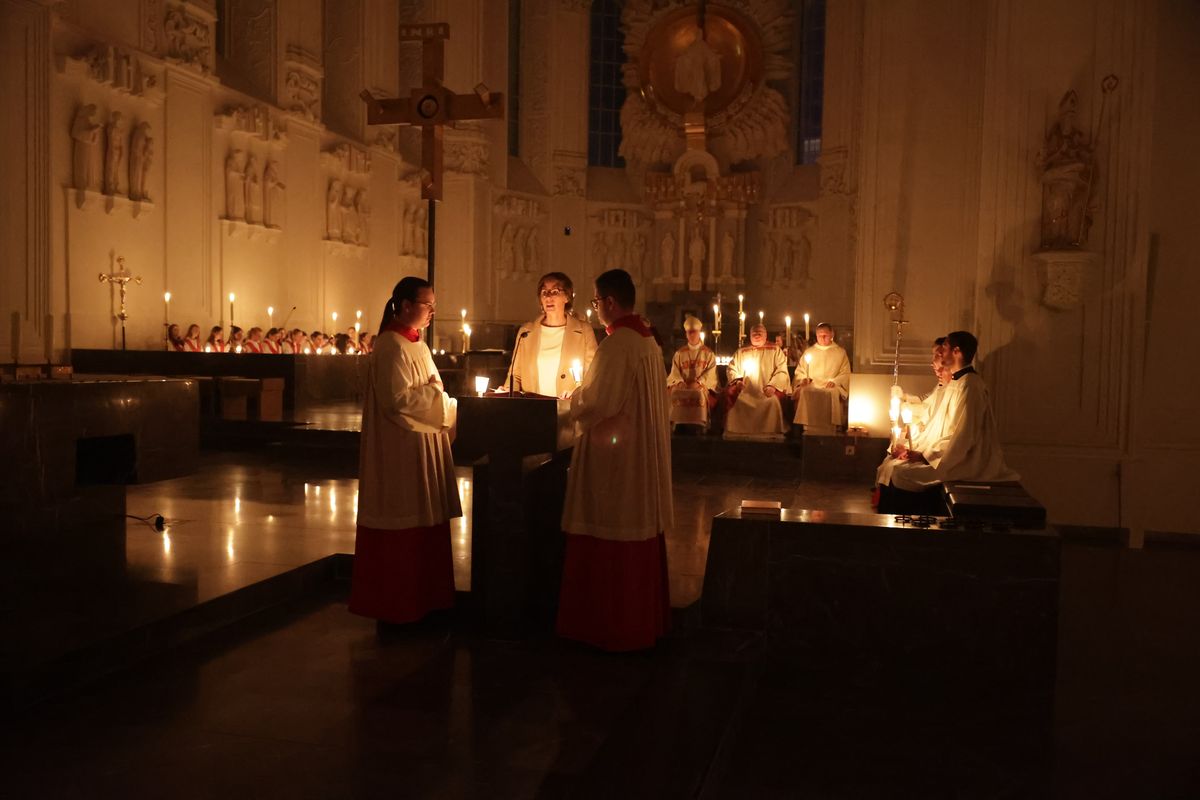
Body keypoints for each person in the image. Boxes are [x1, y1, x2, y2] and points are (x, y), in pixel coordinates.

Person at [557, 268, 672, 651]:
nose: (595, 309)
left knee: (609, 525)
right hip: (638, 452)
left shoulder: (619, 343)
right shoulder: (647, 340)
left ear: (608, 302)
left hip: (617, 459)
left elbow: (600, 401)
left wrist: (573, 400)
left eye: (595, 302)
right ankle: (639, 624)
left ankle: (608, 627)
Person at [350, 276, 462, 625]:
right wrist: (438, 398)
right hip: (399, 450)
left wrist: (434, 393)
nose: (432, 312)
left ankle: (427, 602)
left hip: (423, 446)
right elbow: (396, 401)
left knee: (426, 520)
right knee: (404, 523)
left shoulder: (418, 346)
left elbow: (432, 387)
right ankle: (397, 609)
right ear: (407, 305)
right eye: (428, 305)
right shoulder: (390, 347)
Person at [877, 330, 1019, 514]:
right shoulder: (956, 383)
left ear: (957, 352)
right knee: (895, 467)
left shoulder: (971, 386)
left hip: (967, 461)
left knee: (903, 473)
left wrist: (924, 456)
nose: (940, 353)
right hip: (947, 454)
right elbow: (938, 420)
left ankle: (914, 526)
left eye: (944, 348)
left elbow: (964, 435)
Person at [500, 272, 598, 397]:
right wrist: (507, 393)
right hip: (532, 409)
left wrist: (577, 393)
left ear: (567, 297)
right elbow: (515, 375)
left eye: (555, 292)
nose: (548, 297)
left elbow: (593, 374)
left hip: (568, 409)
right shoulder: (526, 332)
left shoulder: (584, 331)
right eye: (544, 292)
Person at [875, 338, 950, 494]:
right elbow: (928, 401)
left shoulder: (958, 387)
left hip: (937, 450)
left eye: (937, 355)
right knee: (890, 460)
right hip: (927, 440)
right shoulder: (942, 385)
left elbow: (929, 411)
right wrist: (905, 398)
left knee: (898, 467)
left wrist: (918, 451)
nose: (933, 362)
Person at [724, 324, 790, 440]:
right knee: (739, 400)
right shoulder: (742, 352)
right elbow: (732, 368)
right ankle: (739, 431)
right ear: (749, 336)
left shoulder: (775, 350)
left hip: (767, 391)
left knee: (772, 402)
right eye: (754, 333)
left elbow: (782, 371)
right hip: (746, 391)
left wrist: (772, 386)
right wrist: (738, 382)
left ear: (766, 335)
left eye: (760, 333)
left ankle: (769, 432)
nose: (757, 335)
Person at [791, 323, 852, 434]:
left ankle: (831, 428)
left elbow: (845, 373)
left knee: (832, 393)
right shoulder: (809, 352)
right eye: (820, 335)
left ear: (832, 334)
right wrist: (804, 379)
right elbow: (800, 371)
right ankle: (807, 427)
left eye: (825, 335)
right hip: (812, 384)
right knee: (805, 391)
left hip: (831, 385)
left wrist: (835, 382)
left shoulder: (840, 352)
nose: (822, 338)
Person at [666, 315, 718, 431]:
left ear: (699, 333)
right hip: (683, 386)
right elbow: (675, 372)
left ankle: (699, 425)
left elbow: (710, 373)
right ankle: (678, 424)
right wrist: (679, 382)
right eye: (689, 332)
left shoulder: (708, 353)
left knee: (699, 394)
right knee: (675, 393)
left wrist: (699, 383)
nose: (692, 335)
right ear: (686, 334)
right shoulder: (680, 353)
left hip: (700, 387)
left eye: (694, 332)